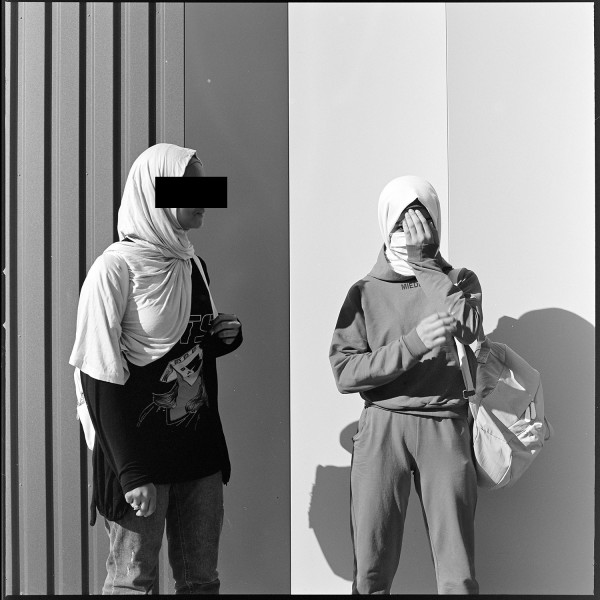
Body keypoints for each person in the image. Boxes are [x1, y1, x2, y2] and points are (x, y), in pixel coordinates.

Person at [69, 142, 242, 595]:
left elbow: (184, 349)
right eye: (192, 188)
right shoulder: (113, 271)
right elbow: (97, 376)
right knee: (132, 585)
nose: (205, 200)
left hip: (198, 458)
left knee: (201, 583)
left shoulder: (192, 265)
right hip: (139, 460)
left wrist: (223, 338)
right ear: (153, 194)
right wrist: (131, 473)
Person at [329, 176, 482, 595]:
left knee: (457, 575)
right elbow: (345, 373)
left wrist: (427, 264)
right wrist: (412, 345)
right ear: (385, 223)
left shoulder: (458, 279)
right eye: (400, 222)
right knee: (371, 572)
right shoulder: (364, 292)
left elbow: (470, 329)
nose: (410, 233)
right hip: (383, 427)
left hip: (445, 424)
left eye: (421, 221)